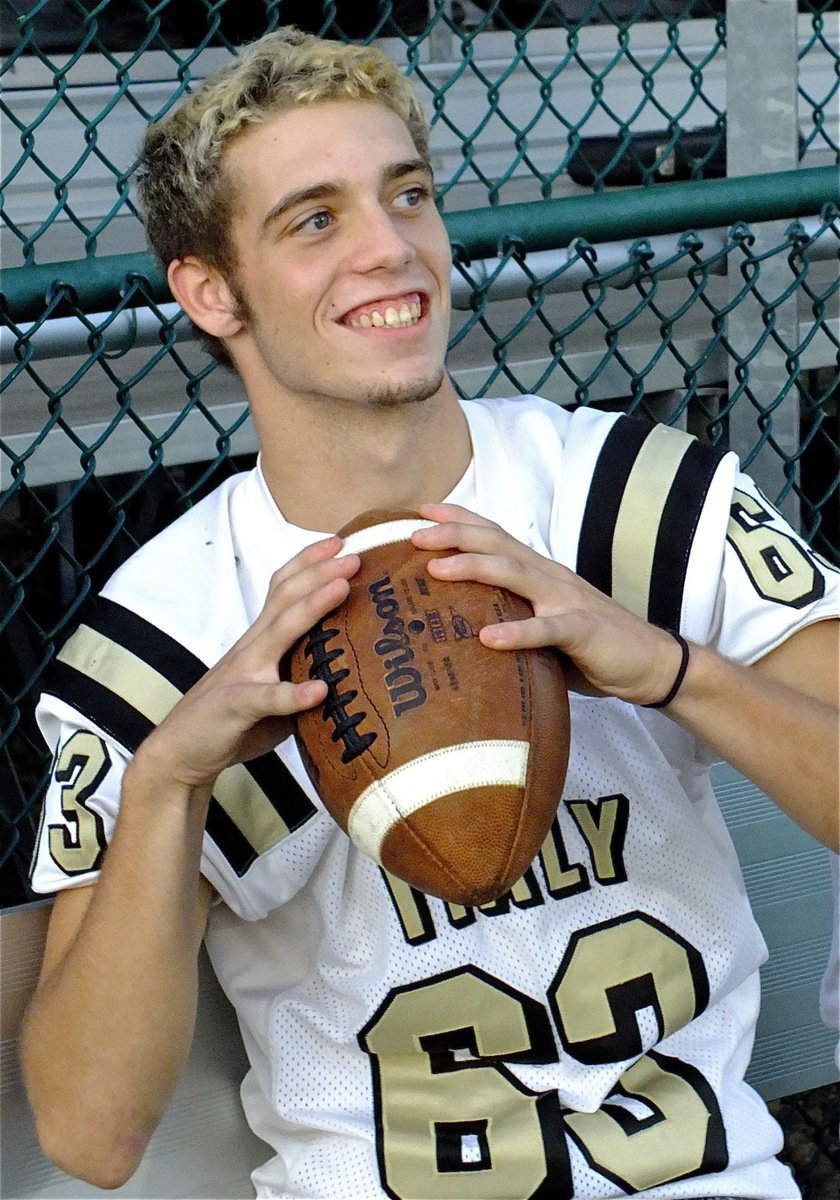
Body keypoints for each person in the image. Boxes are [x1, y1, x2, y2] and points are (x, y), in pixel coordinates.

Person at [21, 25, 839, 1200]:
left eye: (406, 196)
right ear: (210, 292)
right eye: (316, 220)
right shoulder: (168, 637)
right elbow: (89, 1135)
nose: (390, 249)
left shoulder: (632, 502)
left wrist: (669, 668)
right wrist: (166, 784)